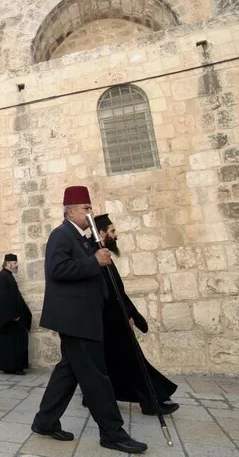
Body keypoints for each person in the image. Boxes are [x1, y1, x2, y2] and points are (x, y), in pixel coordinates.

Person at [31, 186, 147, 454]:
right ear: (70, 210)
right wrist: (94, 261)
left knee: (68, 372)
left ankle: (45, 421)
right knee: (96, 377)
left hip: (84, 318)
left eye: (90, 208)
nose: (90, 213)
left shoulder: (83, 237)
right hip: (75, 320)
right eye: (86, 208)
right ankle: (112, 433)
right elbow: (57, 270)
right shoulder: (61, 235)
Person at [90, 214, 178, 416]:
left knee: (113, 363)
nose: (116, 235)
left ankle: (92, 397)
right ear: (102, 233)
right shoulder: (96, 257)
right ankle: (151, 401)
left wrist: (130, 314)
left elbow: (117, 291)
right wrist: (128, 316)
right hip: (110, 321)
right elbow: (111, 294)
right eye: (112, 231)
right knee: (133, 361)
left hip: (114, 319)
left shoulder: (102, 254)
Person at [0, 253, 31, 375]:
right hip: (9, 319)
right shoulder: (2, 277)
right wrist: (12, 315)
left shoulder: (7, 276)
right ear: (8, 264)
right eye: (15, 263)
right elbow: (2, 299)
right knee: (12, 343)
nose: (16, 265)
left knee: (19, 340)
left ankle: (16, 366)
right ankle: (12, 367)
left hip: (14, 318)